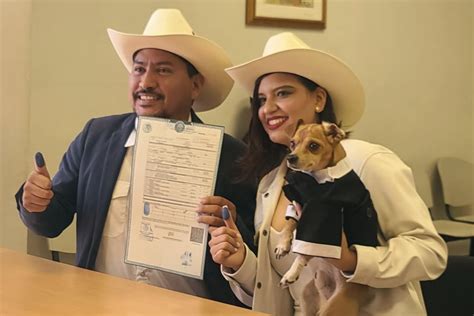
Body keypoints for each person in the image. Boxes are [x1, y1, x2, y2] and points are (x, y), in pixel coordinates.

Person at [15, 9, 256, 307]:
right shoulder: (96, 137)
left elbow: (255, 264)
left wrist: (233, 232)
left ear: (195, 86)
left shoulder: (233, 157)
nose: (147, 82)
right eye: (139, 69)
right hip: (99, 305)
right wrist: (35, 203)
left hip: (192, 308)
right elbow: (50, 221)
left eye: (164, 70)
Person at [207, 32, 448, 315]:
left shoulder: (366, 162)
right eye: (261, 99)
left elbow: (430, 253)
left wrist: (352, 261)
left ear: (319, 98)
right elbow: (276, 291)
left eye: (283, 93)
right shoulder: (270, 184)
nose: (267, 109)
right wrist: (239, 260)